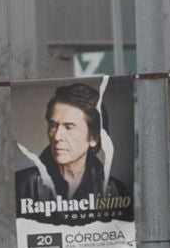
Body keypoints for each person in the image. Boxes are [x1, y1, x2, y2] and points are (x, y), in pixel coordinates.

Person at [15, 83, 132, 220]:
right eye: (53, 126)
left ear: (94, 137)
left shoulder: (115, 191)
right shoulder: (21, 185)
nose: (57, 136)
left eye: (69, 127)